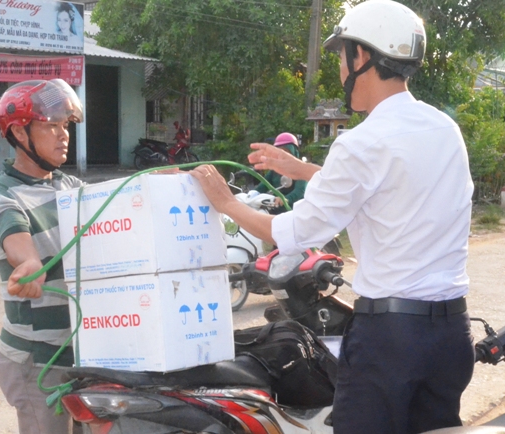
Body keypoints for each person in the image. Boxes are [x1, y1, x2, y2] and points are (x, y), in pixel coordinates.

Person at [191, 1, 475, 433]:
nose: (341, 71)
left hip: (391, 340)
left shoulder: (361, 142)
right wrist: (303, 170)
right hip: (451, 335)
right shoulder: (442, 129)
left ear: (361, 56)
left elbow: (293, 232)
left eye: (342, 57)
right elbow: (386, 189)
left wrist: (226, 202)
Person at [0, 79, 84, 434]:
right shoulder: (4, 193)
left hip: (81, 351)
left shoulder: (71, 187)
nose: (63, 135)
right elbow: (14, 234)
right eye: (51, 126)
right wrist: (29, 264)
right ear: (19, 133)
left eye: (66, 125)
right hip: (38, 360)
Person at [253, 132, 307, 214]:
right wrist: (251, 194)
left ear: (293, 152)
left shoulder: (301, 169)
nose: (282, 155)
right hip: (276, 208)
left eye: (286, 151)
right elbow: (264, 184)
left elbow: (299, 191)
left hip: (295, 211)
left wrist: (285, 199)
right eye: (279, 151)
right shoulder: (275, 170)